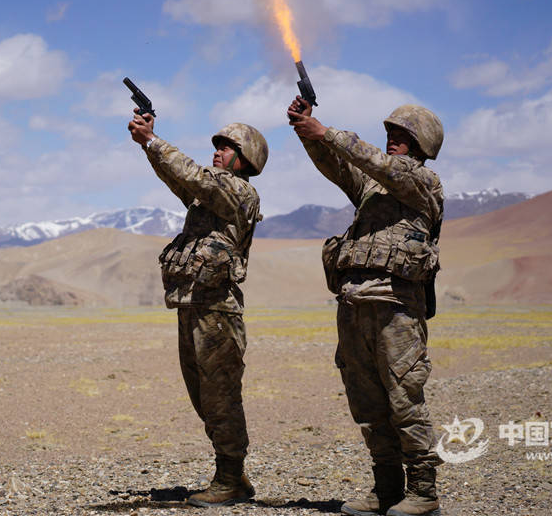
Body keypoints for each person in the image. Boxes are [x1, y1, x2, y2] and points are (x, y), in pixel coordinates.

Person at [287, 98, 445, 516]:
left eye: (402, 137)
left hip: (395, 308)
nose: (392, 141)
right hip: (355, 306)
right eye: (390, 135)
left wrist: (330, 133)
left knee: (403, 398)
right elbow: (339, 166)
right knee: (368, 402)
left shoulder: (422, 184)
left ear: (421, 145)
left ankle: (424, 492)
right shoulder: (372, 188)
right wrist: (307, 131)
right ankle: (387, 488)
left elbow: (377, 164)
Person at [128, 109, 268, 507]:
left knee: (220, 394)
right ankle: (231, 473)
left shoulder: (238, 192)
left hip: (218, 310)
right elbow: (179, 178)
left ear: (246, 159)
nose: (219, 152)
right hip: (192, 306)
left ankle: (229, 478)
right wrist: (149, 147)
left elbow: (191, 175)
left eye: (228, 147)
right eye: (218, 146)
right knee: (203, 396)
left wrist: (154, 140)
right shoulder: (209, 199)